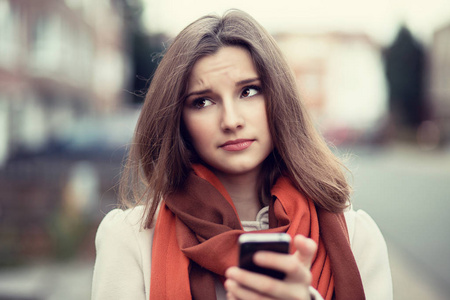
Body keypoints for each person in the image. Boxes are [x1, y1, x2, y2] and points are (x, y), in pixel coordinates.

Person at [91, 9, 392, 300]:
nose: (231, 120)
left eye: (248, 91)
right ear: (179, 119)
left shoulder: (355, 237)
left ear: (279, 97)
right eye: (203, 101)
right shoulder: (131, 240)